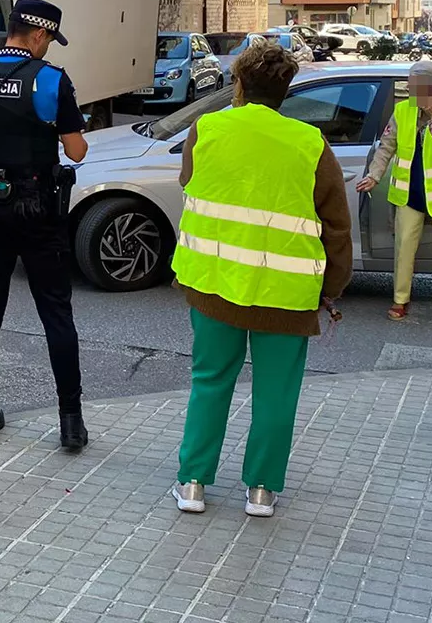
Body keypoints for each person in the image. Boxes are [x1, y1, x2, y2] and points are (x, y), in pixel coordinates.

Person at [170, 41, 353, 518]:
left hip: (213, 281)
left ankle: (192, 484)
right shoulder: (310, 144)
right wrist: (332, 288)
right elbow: (335, 225)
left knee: (209, 380)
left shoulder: (206, 128)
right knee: (276, 391)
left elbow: (191, 183)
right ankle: (262, 491)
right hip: (285, 293)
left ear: (239, 84)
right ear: (285, 90)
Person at [0, 0, 89, 451]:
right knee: (56, 313)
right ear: (37, 35)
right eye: (49, 39)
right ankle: (70, 422)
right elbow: (76, 152)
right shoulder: (51, 80)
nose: (48, 46)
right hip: (38, 210)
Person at [357, 61, 432, 326]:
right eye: (411, 89)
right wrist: (374, 175)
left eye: (420, 90)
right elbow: (386, 146)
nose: (415, 96)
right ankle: (400, 299)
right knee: (404, 247)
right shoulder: (403, 111)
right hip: (410, 193)